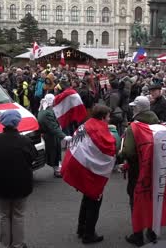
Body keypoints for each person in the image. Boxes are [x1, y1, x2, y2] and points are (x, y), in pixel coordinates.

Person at [62, 105, 116, 244]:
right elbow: (108, 148)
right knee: (94, 198)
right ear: (103, 117)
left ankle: (81, 228)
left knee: (87, 197)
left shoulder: (86, 124)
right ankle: (89, 234)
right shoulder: (99, 129)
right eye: (108, 117)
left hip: (79, 165)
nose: (109, 119)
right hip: (89, 171)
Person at [0, 110, 38, 248]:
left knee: (4, 215)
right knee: (18, 215)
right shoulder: (25, 141)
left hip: (0, 184)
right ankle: (18, 244)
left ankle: (5, 244)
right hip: (21, 184)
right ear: (17, 122)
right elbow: (32, 157)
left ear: (2, 122)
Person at [121, 96, 160, 246]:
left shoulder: (134, 127)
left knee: (136, 200)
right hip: (155, 166)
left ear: (138, 109)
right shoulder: (158, 123)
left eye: (134, 107)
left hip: (138, 168)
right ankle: (151, 231)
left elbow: (129, 152)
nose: (132, 109)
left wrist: (120, 153)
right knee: (152, 198)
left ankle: (137, 235)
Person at [37, 94, 71, 178]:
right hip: (50, 136)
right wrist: (64, 136)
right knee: (54, 152)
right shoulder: (47, 113)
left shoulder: (46, 110)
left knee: (55, 152)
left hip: (51, 135)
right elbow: (53, 127)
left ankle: (58, 168)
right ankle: (57, 170)